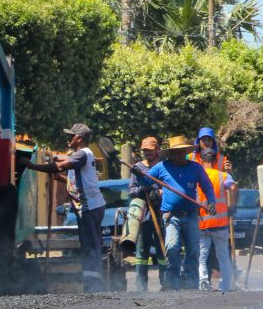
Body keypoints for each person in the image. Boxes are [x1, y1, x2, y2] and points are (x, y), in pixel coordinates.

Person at [19, 123, 106, 292]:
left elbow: (60, 166)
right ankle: (90, 281)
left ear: (79, 138)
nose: (68, 138)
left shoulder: (83, 154)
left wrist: (33, 166)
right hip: (87, 207)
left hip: (90, 207)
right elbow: (69, 180)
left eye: (71, 135)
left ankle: (94, 284)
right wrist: (54, 169)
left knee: (91, 245)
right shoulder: (79, 157)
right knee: (87, 245)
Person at [144, 135, 217, 291]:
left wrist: (211, 202)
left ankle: (191, 284)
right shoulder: (162, 167)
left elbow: (208, 186)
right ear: (170, 153)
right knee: (172, 248)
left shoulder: (196, 167)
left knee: (193, 250)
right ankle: (173, 285)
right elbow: (146, 181)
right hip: (171, 216)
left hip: (190, 215)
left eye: (182, 151)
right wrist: (138, 174)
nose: (179, 155)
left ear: (185, 152)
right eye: (176, 152)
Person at [127, 136, 166, 292]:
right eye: (144, 150)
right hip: (143, 215)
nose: (147, 153)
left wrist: (159, 192)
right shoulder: (138, 168)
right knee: (142, 251)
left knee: (162, 250)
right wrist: (142, 190)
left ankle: (166, 283)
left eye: (150, 150)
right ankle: (141, 287)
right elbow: (131, 191)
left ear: (157, 150)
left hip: (160, 213)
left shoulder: (164, 166)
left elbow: (168, 187)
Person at [197, 148, 237, 291]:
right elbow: (233, 187)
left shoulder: (197, 176)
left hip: (202, 222)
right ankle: (225, 284)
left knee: (202, 255)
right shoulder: (223, 176)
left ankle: (203, 282)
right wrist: (231, 205)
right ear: (215, 161)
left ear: (200, 160)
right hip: (220, 222)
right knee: (223, 256)